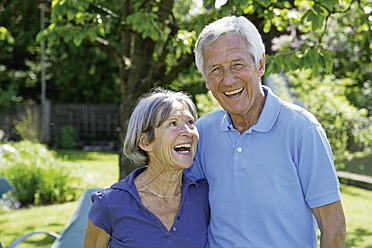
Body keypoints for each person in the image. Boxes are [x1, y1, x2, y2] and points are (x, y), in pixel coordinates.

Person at [185, 16, 346, 247]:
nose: (228, 80)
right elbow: (180, 203)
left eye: (238, 64)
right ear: (206, 79)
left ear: (260, 64)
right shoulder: (202, 132)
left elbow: (332, 221)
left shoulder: (302, 129)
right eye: (216, 69)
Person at [84, 88, 209, 248]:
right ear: (145, 142)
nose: (188, 132)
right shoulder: (110, 204)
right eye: (173, 123)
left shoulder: (203, 196)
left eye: (190, 122)